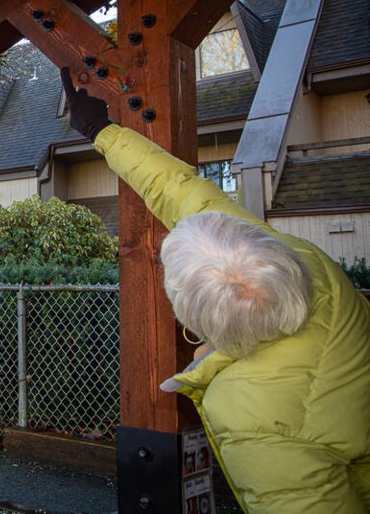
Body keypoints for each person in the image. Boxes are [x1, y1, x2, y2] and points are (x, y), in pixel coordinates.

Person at [60, 67, 370, 513]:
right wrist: (101, 131)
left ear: (193, 319)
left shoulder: (253, 419)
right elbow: (179, 189)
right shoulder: (310, 267)